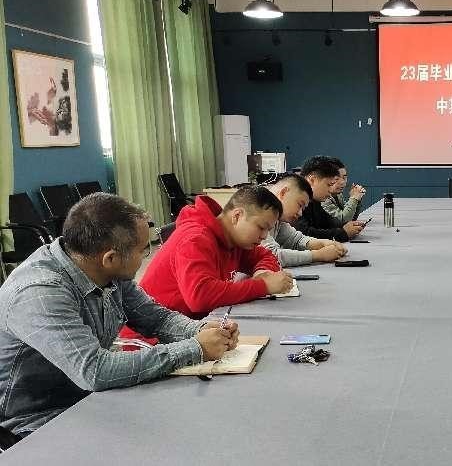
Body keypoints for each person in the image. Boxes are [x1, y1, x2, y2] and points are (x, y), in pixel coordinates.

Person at [0, 193, 238, 437]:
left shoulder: (107, 272)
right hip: (35, 420)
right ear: (110, 258)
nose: (147, 256)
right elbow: (95, 371)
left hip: (88, 398)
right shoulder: (41, 293)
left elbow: (157, 318)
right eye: (143, 250)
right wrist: (195, 348)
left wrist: (200, 330)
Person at [137, 186, 293, 320]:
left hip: (192, 323)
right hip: (152, 337)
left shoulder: (235, 239)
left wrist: (262, 273)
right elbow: (200, 297)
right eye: (261, 227)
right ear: (237, 216)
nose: (264, 236)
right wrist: (263, 286)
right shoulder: (195, 238)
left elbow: (265, 255)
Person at [262, 173, 348, 266]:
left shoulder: (278, 217)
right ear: (283, 193)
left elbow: (296, 240)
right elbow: (270, 256)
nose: (300, 213)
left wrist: (323, 243)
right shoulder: (259, 209)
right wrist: (317, 255)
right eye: (300, 205)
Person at [293, 156, 365, 242]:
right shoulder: (296, 201)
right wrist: (343, 233)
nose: (331, 191)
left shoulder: (316, 200)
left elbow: (328, 225)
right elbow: (304, 233)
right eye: (329, 185)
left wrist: (347, 227)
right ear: (312, 180)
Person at [322, 158, 366, 224]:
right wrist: (354, 198)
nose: (342, 182)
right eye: (336, 178)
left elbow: (351, 218)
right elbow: (343, 220)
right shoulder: (322, 197)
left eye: (344, 178)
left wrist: (357, 199)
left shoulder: (338, 194)